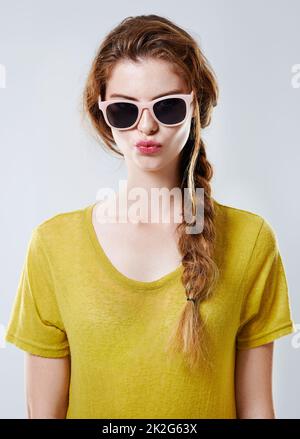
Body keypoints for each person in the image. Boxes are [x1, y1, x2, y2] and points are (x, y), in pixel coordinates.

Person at [5, 14, 296, 419]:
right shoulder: (53, 247)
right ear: (103, 115)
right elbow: (43, 414)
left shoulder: (250, 241)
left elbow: (258, 410)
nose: (147, 125)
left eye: (168, 106)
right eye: (125, 111)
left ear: (196, 107)